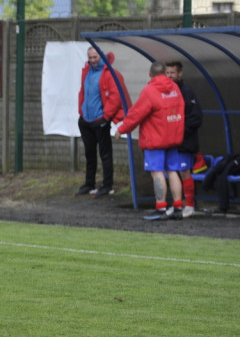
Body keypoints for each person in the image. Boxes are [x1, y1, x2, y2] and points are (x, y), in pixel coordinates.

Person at [114, 61, 185, 220]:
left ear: (150, 74)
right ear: (166, 74)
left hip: (156, 139)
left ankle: (161, 208)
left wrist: (121, 129)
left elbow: (136, 115)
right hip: (173, 138)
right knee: (173, 171)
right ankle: (178, 207)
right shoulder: (175, 89)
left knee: (157, 173)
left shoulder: (150, 91)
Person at [75, 47, 131, 197]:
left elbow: (116, 96)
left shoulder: (109, 73)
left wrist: (106, 117)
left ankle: (107, 185)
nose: (93, 60)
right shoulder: (87, 71)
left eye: (95, 57)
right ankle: (89, 183)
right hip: (86, 119)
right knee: (89, 153)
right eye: (90, 57)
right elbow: (83, 92)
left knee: (105, 154)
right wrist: (81, 113)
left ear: (101, 56)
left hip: (100, 119)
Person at [163, 61, 202, 218]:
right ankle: (177, 204)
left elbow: (196, 118)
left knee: (184, 172)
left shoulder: (187, 92)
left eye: (172, 73)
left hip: (185, 141)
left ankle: (190, 206)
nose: (170, 76)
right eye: (167, 73)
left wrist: (180, 132)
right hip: (169, 142)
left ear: (180, 74)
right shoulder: (164, 93)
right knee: (172, 173)